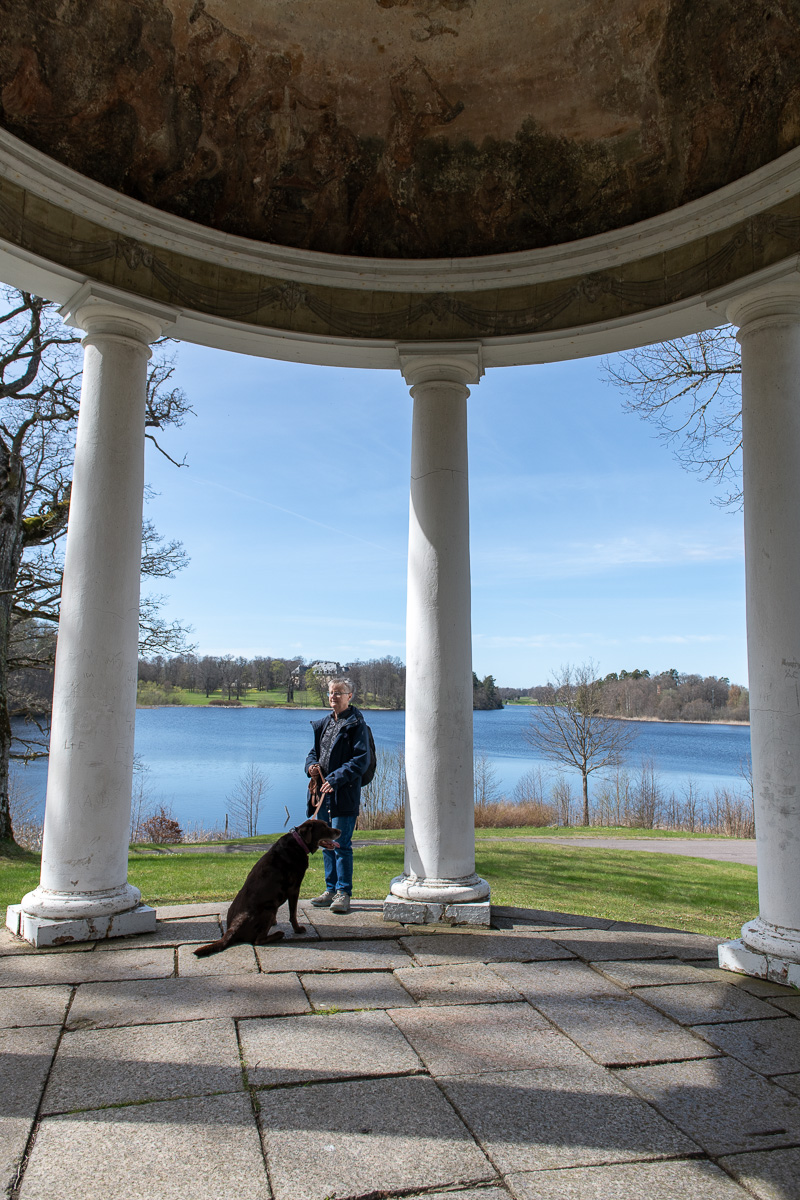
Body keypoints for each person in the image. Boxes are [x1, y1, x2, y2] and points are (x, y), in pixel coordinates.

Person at [305, 677, 370, 913]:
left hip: (344, 794)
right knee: (325, 844)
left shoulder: (356, 724)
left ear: (349, 696)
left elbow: (361, 760)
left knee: (341, 844)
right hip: (322, 795)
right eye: (331, 692)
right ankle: (330, 890)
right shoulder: (324, 724)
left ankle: (343, 893)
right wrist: (311, 767)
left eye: (339, 693)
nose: (333, 696)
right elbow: (314, 753)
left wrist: (335, 778)